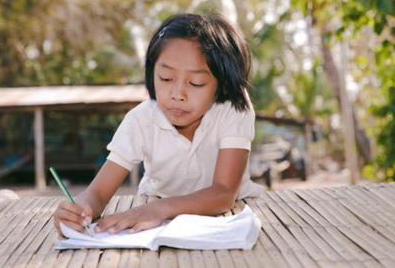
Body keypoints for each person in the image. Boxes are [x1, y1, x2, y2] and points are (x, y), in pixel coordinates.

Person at [53, 13, 264, 236]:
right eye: (165, 78)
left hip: (231, 215)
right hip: (156, 221)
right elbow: (97, 192)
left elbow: (224, 194)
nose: (178, 94)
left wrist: (158, 209)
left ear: (222, 85)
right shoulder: (141, 120)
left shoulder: (234, 109)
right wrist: (80, 210)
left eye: (196, 83)